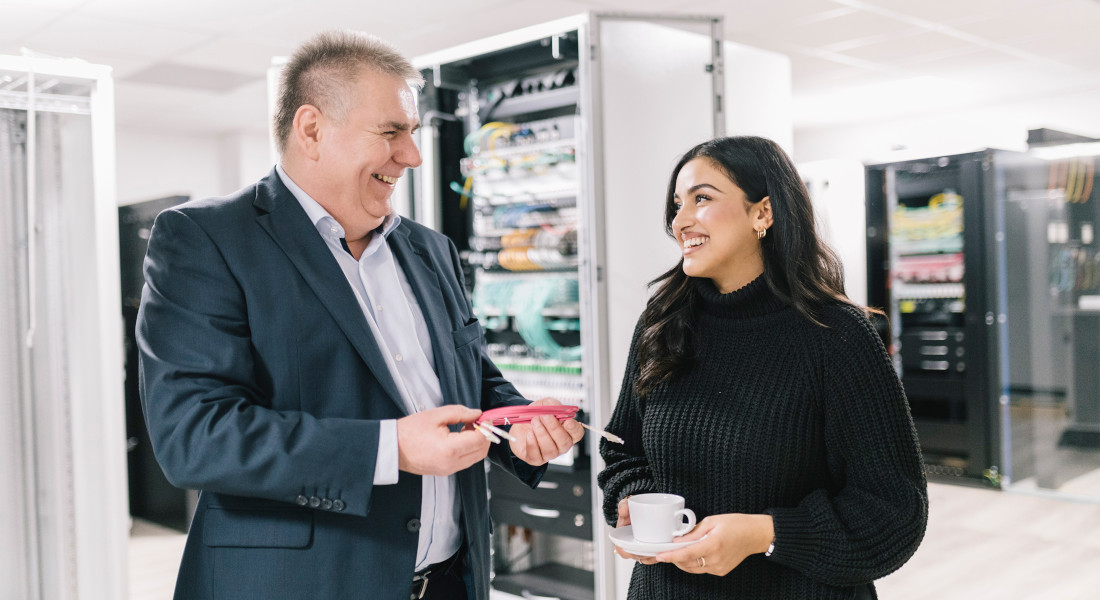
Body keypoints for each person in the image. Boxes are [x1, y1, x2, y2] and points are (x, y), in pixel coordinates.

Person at [137, 30, 583, 600]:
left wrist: (518, 422)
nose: (413, 156)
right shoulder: (206, 239)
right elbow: (195, 436)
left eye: (413, 133)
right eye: (391, 132)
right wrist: (390, 448)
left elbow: (467, 378)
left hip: (451, 582)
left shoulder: (431, 250)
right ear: (312, 129)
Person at [597, 136, 928, 599]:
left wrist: (767, 534)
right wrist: (633, 499)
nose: (680, 220)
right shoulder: (663, 323)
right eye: (677, 204)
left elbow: (894, 513)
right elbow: (622, 449)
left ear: (763, 213)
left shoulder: (836, 335)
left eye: (703, 198)